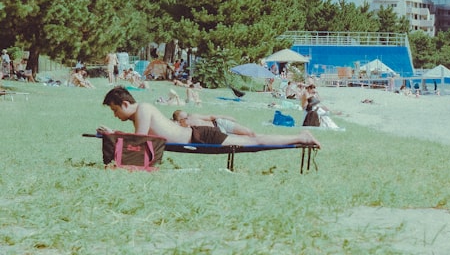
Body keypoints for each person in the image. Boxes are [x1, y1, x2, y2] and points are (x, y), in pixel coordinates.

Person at [100, 87, 319, 148]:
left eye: (115, 110)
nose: (116, 115)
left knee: (254, 140)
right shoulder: (141, 112)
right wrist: (115, 134)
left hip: (200, 136)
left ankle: (301, 136)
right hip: (197, 135)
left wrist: (113, 134)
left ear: (126, 104)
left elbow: (138, 140)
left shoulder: (144, 109)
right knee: (254, 139)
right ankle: (300, 136)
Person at [172, 110, 257, 138]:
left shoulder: (193, 116)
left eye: (187, 115)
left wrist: (225, 117)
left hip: (219, 123)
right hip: (217, 135)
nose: (187, 118)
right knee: (245, 139)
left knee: (249, 132)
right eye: (184, 118)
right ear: (179, 121)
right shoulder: (184, 129)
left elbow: (210, 117)